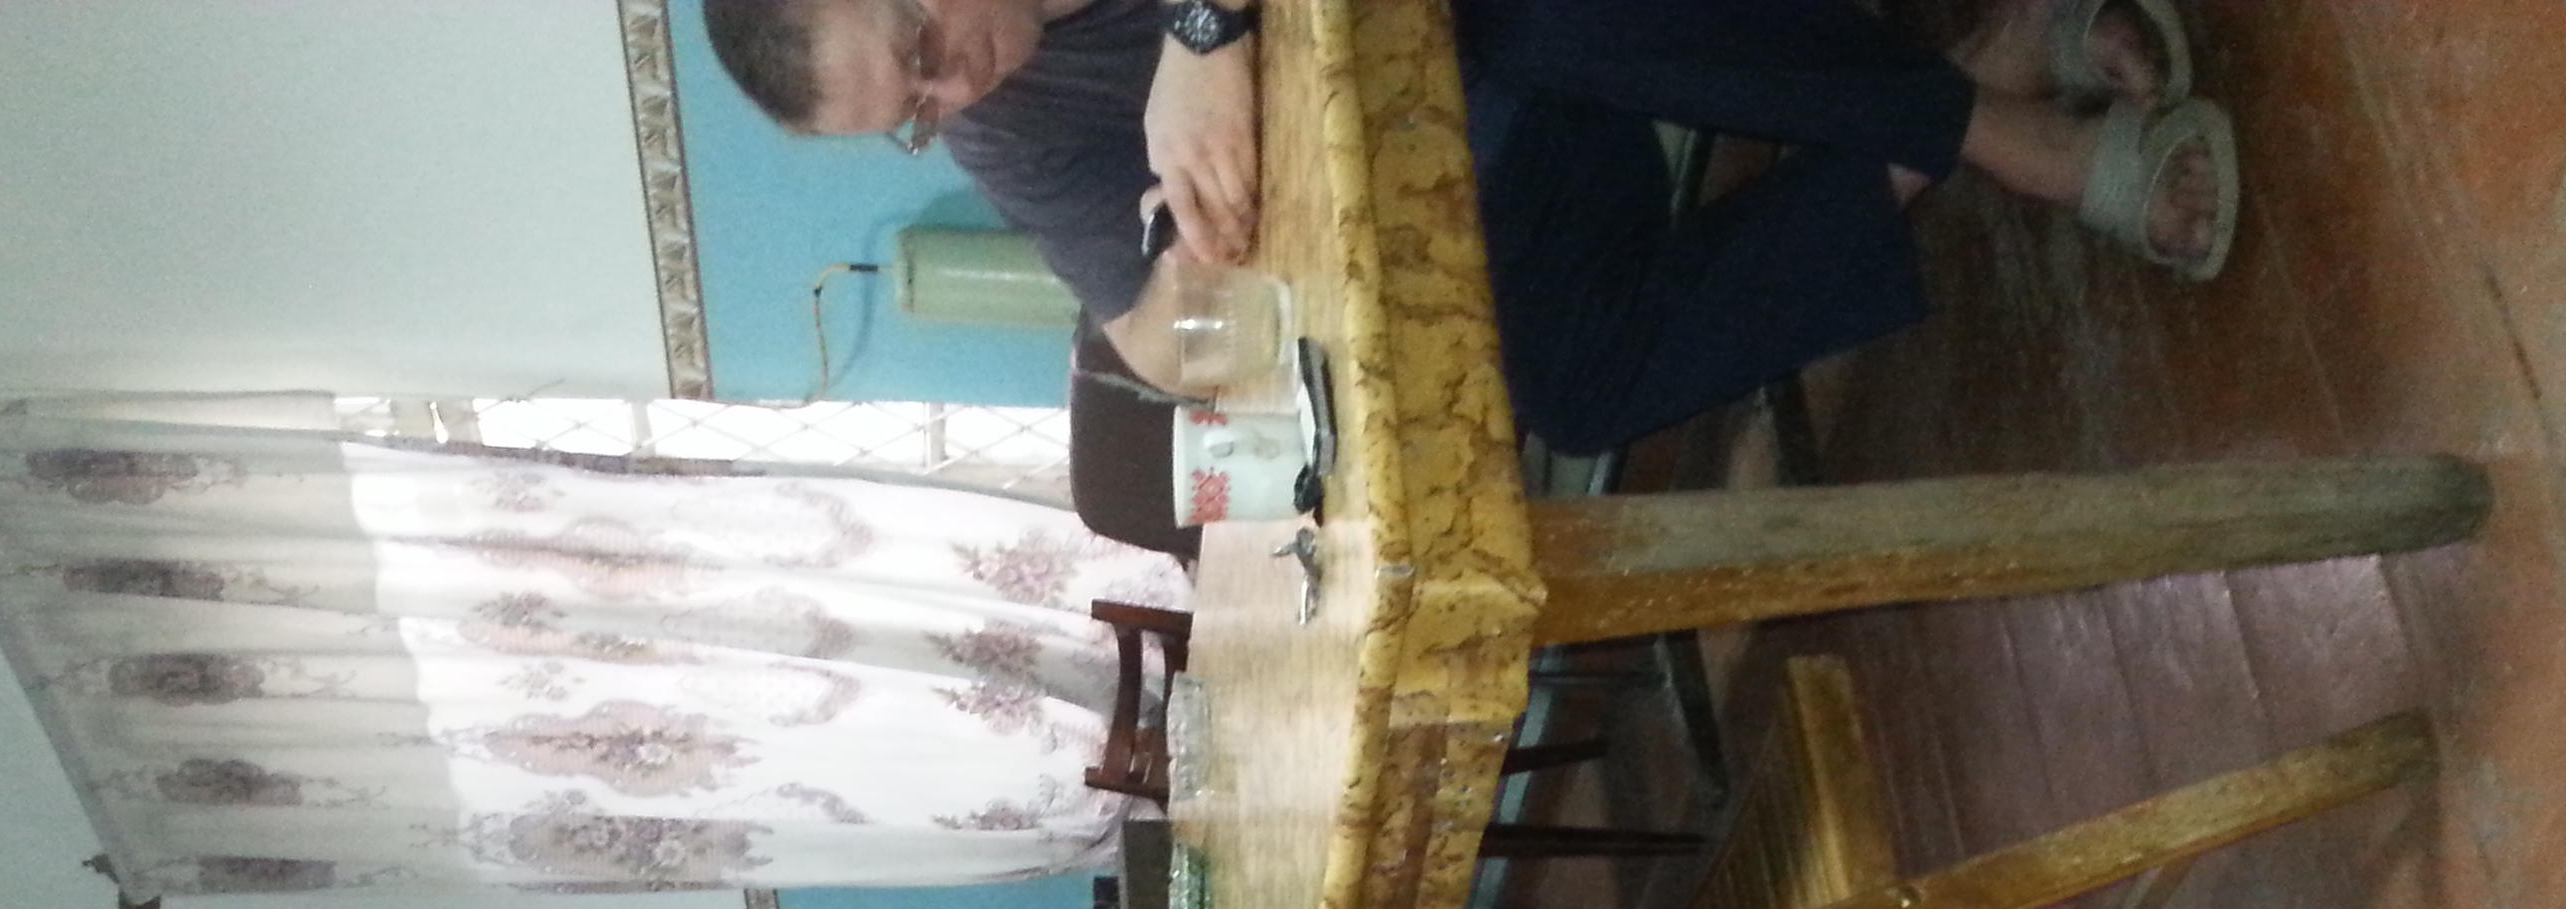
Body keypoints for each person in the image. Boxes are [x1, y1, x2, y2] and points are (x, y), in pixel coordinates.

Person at [699, 0, 2234, 455]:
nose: (950, 92)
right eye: (910, 114)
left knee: (1528, 21)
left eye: (917, 47)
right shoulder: (998, 118)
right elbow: (1152, 347)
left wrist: (1205, 32)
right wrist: (1196, 253)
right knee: (1572, 384)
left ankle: (2018, 143)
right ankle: (1962, 94)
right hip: (1490, 133)